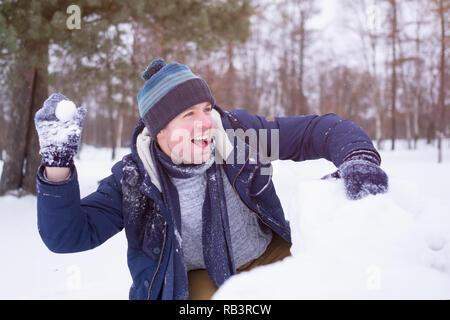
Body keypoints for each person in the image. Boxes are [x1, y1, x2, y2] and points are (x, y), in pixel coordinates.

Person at [34, 59, 388, 300]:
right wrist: (57, 165)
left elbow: (320, 130)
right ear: (159, 132)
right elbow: (68, 236)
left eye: (206, 109)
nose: (205, 122)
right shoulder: (134, 179)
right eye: (188, 114)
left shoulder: (239, 136)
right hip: (197, 278)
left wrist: (359, 157)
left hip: (268, 254)